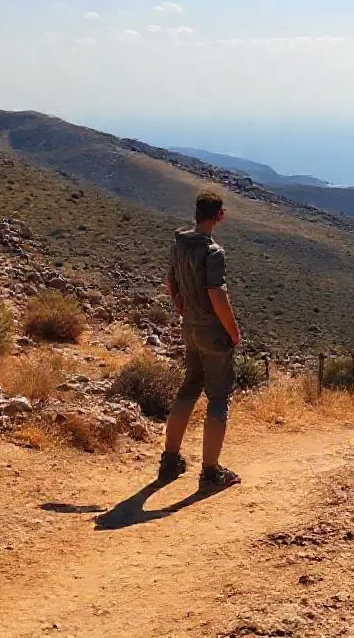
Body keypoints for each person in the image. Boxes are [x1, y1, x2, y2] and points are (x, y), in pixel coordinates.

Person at [158, 191, 243, 490]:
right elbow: (217, 294)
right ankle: (210, 472)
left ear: (196, 212)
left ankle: (169, 460)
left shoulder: (179, 244)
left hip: (190, 327)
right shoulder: (213, 252)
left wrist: (180, 305)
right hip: (211, 332)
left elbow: (171, 281)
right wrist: (233, 332)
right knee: (218, 398)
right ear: (219, 216)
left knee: (189, 387)